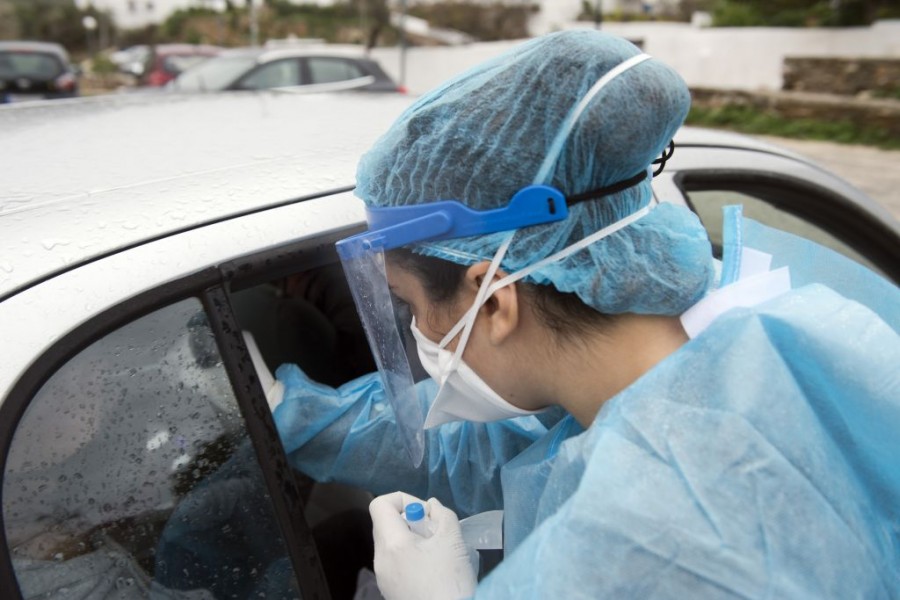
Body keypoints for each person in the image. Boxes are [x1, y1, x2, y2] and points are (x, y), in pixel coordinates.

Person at [272, 30, 900, 598]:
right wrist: (290, 413)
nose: (419, 335)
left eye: (408, 304)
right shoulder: (737, 350)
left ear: (493, 300)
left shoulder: (662, 543)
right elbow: (471, 448)